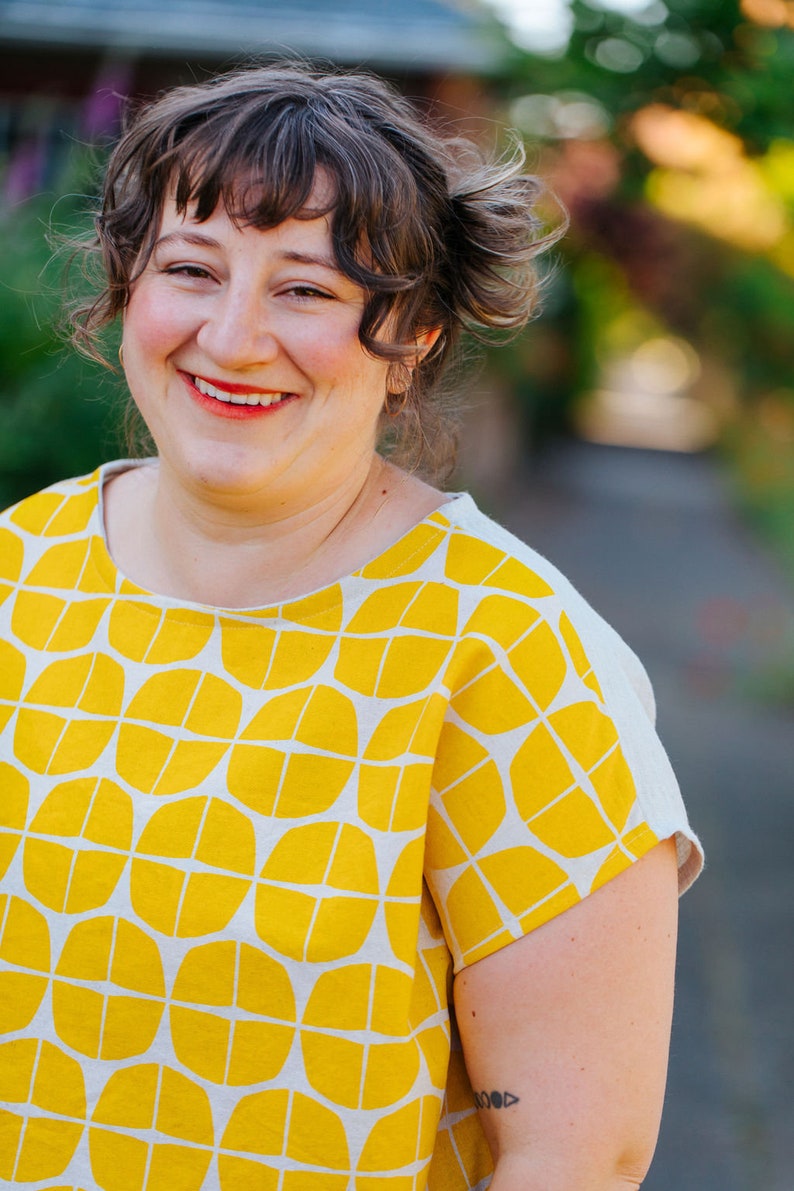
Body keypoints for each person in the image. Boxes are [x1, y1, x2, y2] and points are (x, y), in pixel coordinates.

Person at [0, 62, 702, 1191]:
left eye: (306, 290)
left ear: (414, 332)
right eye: (190, 269)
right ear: (127, 290)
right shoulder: (17, 569)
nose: (231, 338)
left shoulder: (506, 649)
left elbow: (572, 1156)